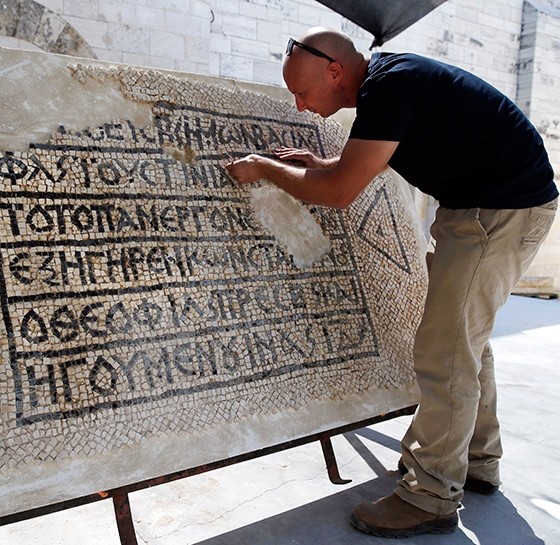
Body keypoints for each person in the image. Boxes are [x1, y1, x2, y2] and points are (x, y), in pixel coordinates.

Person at [226, 27, 558, 538]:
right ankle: (475, 460)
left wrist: (266, 169)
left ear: (335, 72)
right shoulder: (387, 83)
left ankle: (429, 495)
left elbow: (338, 193)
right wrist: (318, 163)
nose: (299, 105)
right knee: (463, 341)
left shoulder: (389, 86)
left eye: (302, 91)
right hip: (486, 205)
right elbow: (358, 163)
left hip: (497, 212)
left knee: (444, 350)